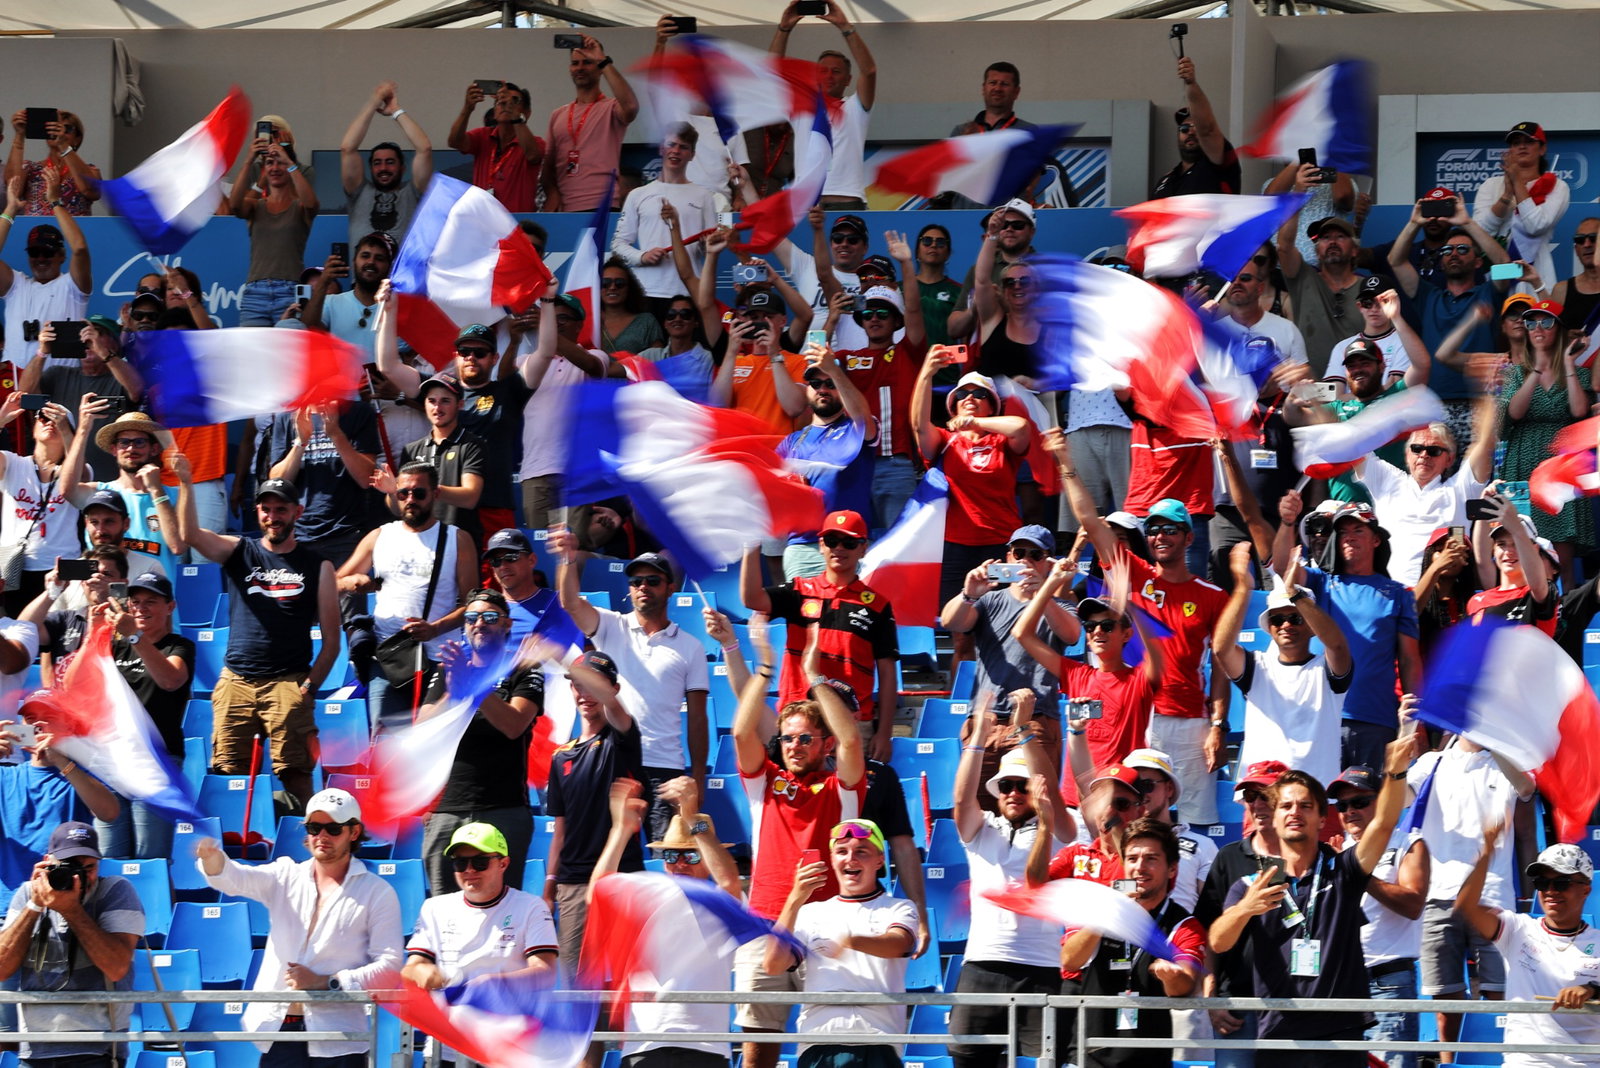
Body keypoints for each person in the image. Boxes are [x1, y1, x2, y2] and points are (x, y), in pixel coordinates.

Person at [1053, 427, 1229, 826]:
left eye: (1169, 528)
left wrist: (1218, 724)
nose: (1159, 535)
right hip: (1139, 720)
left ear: (1188, 537)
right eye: (1152, 529)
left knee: (1193, 825)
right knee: (1135, 821)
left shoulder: (1213, 595)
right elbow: (1088, 519)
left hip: (1189, 721)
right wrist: (1066, 462)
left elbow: (1219, 665)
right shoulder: (1134, 574)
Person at [1210, 742, 1413, 1067]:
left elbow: (1383, 824)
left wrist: (1396, 771)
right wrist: (1245, 909)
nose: (1294, 812)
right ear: (1274, 819)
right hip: (1279, 1033)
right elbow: (1218, 941)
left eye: (1305, 806)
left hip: (1341, 1030)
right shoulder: (1251, 885)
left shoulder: (1343, 870)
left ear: (1322, 819)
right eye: (1286, 806)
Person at [733, 616, 866, 1068]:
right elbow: (740, 733)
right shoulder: (765, 783)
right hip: (764, 922)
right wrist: (767, 668)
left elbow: (851, 739)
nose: (792, 745)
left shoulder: (840, 789)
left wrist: (813, 678)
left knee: (826, 1046)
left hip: (825, 924)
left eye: (804, 738)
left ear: (823, 744)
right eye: (786, 738)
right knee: (757, 1052)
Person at [195, 789, 404, 1068]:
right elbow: (235, 878)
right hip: (280, 1029)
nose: (322, 836)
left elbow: (389, 968)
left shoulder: (378, 892)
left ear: (354, 832)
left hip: (339, 1034)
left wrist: (326, 982)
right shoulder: (286, 875)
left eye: (333, 828)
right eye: (314, 827)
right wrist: (212, 859)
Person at [176, 465, 340, 808]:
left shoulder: (318, 565)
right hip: (236, 681)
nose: (273, 516)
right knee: (225, 774)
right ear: (258, 512)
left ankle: (311, 843)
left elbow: (332, 642)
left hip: (288, 683)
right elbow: (189, 534)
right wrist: (187, 483)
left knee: (296, 773)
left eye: (281, 509)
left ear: (298, 512)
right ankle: (228, 855)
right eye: (266, 509)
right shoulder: (240, 551)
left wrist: (306, 690)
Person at [549, 532, 709, 840]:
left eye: (652, 581)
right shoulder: (611, 626)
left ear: (670, 588)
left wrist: (698, 777)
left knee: (667, 861)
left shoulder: (691, 647)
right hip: (614, 763)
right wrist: (567, 559)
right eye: (636, 582)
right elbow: (569, 602)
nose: (643, 588)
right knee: (615, 858)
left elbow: (699, 719)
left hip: (666, 769)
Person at [949, 702, 1075, 1068]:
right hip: (982, 964)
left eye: (1022, 786)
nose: (1015, 793)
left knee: (1047, 1062)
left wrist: (1023, 730)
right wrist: (976, 741)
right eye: (1006, 785)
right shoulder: (981, 828)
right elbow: (960, 798)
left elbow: (1049, 787)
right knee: (967, 1058)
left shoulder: (1060, 831)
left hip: (1042, 967)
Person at [588, 775, 744, 1068]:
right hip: (645, 1042)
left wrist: (691, 817)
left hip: (704, 1045)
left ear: (707, 857)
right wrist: (620, 831)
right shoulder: (645, 898)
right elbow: (597, 893)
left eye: (691, 856)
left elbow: (728, 880)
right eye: (671, 854)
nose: (680, 863)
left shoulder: (720, 902)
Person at [1409, 730, 1534, 1061]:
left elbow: (1526, 788)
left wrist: (1493, 738)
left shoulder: (1508, 758)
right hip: (1437, 893)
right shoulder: (1431, 763)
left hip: (1492, 896)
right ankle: (1449, 1064)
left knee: (1499, 996)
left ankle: (1501, 1062)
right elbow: (1402, 799)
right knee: (1446, 1002)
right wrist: (1404, 735)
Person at [739, 511, 898, 763]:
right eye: (832, 540)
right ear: (821, 545)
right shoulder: (799, 590)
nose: (839, 548)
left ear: (863, 549)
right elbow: (751, 598)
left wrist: (884, 732)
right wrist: (750, 544)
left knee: (848, 801)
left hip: (851, 723)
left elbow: (888, 674)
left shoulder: (877, 605)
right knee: (798, 800)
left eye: (849, 542)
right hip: (797, 721)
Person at [413, 590, 543, 896]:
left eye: (490, 617)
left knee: (503, 908)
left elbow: (513, 725)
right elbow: (422, 727)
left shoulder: (523, 668)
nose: (479, 623)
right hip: (447, 810)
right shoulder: (446, 669)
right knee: (444, 910)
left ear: (507, 624)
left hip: (504, 808)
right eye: (472, 618)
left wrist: (474, 687)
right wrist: (453, 692)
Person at [763, 818, 918, 1068]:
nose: (850, 859)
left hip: (877, 1040)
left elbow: (898, 944)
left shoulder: (898, 907)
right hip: (819, 1041)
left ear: (880, 861)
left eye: (861, 852)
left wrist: (850, 940)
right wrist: (794, 900)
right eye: (842, 852)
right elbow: (772, 965)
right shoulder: (810, 912)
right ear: (832, 860)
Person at [337, 462, 477, 727]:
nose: (410, 499)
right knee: (384, 745)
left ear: (435, 494)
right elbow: (332, 582)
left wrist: (435, 629)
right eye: (403, 493)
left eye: (419, 493)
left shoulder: (457, 539)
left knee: (428, 739)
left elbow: (472, 605)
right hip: (388, 658)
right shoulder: (380, 535)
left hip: (440, 658)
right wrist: (351, 583)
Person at [1061, 818, 1208, 1068]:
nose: (1140, 867)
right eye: (1132, 858)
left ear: (1172, 869)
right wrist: (1104, 918)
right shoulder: (1099, 907)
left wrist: (1171, 976)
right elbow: (1070, 960)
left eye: (1151, 859)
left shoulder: (1182, 924)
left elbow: (1184, 987)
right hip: (1089, 1055)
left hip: (1149, 1059)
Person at [940, 525, 1079, 778]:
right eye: (1019, 552)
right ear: (1008, 557)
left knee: (1038, 808)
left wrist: (1042, 592)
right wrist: (968, 594)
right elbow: (951, 622)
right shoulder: (989, 600)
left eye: (1035, 555)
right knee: (978, 810)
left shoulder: (1060, 606)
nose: (1025, 560)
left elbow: (1072, 635)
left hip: (1036, 720)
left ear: (1048, 564)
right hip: (986, 722)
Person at [0, 822, 142, 1068]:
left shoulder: (114, 891)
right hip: (35, 1049)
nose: (79, 876)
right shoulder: (27, 894)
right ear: (47, 862)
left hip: (98, 1049)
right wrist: (35, 905)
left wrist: (72, 911)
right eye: (69, 866)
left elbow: (117, 967)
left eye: (89, 868)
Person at [914, 361, 1030, 660]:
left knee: (1007, 636)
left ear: (991, 404)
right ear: (952, 406)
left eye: (979, 393)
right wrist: (927, 374)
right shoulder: (945, 440)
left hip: (1001, 545)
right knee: (962, 640)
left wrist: (976, 424)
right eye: (962, 393)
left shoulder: (1001, 439)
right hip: (956, 549)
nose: (970, 397)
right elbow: (918, 426)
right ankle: (962, 703)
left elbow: (1021, 427)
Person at [1013, 568, 1162, 802]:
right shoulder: (1077, 674)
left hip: (1120, 799)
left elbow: (1158, 651)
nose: (1097, 631)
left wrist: (1134, 605)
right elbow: (1022, 633)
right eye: (1090, 627)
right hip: (1076, 800)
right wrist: (1047, 586)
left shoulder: (1139, 679)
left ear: (1126, 634)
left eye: (1108, 625)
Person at [1213, 542, 1351, 788]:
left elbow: (1338, 646)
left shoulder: (1327, 670)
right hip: (1262, 796)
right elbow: (1221, 648)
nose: (1286, 625)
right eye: (1278, 619)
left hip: (1317, 797)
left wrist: (1294, 593)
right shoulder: (1256, 666)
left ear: (1311, 626)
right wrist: (1243, 589)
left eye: (1295, 618)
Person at [1455, 832, 1600, 1064]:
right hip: (1526, 1061)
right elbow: (1466, 905)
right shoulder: (1517, 929)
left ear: (1586, 890)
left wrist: (1592, 989)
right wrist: (1486, 854)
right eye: (1542, 883)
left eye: (1561, 883)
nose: (1551, 891)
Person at [544, 649, 642, 982]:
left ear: (612, 689)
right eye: (577, 685)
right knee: (577, 987)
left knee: (621, 985)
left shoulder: (622, 737)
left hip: (622, 879)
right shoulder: (561, 756)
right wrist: (549, 886)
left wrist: (557, 658)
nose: (585, 694)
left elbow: (613, 708)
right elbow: (560, 830)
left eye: (593, 686)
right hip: (573, 884)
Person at [1329, 766, 1429, 1068]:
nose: (1349, 812)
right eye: (1342, 805)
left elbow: (1413, 904)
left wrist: (1359, 873)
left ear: (1384, 801)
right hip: (1340, 983)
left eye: (1360, 802)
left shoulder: (1409, 843)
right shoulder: (1334, 851)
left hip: (1387, 981)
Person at [1194, 759, 1288, 1062]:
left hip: (1298, 1005)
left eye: (1266, 796)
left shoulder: (1310, 855)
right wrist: (1211, 999)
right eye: (1251, 797)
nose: (1258, 804)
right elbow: (1208, 932)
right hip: (1237, 1004)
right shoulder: (1228, 857)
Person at [1350, 395, 1498, 588]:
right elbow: (1349, 444)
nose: (1424, 455)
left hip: (1444, 594)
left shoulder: (1459, 489)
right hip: (1393, 593)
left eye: (1434, 451)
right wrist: (1317, 404)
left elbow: (1485, 442)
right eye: (1417, 448)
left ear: (1450, 459)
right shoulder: (1388, 480)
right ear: (1406, 454)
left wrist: (1485, 392)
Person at [98, 571, 195, 860]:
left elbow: (170, 680)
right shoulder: (114, 645)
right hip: (113, 761)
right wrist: (95, 628)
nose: (141, 608)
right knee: (109, 860)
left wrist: (135, 637)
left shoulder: (179, 646)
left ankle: (155, 907)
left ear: (170, 607)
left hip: (156, 762)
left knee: (151, 859)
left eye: (151, 601)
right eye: (135, 601)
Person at [403, 821, 557, 999]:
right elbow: (411, 968)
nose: (469, 869)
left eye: (480, 861)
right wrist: (422, 971)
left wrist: (492, 984)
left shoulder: (532, 907)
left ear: (503, 864)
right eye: (460, 863)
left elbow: (545, 973)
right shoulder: (434, 907)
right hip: (449, 1018)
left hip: (508, 1017)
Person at [1494, 300, 1592, 580]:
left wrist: (1569, 364)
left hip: (1563, 464)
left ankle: (1568, 611)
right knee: (1522, 537)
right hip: (1523, 463)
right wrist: (1536, 371)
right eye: (1531, 322)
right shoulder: (1516, 373)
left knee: (1563, 548)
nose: (1538, 328)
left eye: (1546, 322)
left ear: (1559, 330)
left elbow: (1578, 411)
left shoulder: (1579, 372)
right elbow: (1513, 413)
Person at [777, 345, 876, 575]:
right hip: (803, 548)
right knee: (802, 612)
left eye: (831, 383)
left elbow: (861, 414)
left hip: (849, 545)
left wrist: (834, 369)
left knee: (850, 612)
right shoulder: (791, 442)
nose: (823, 389)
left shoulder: (857, 428)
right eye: (816, 384)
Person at [0, 705, 122, 892]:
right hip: (9, 906)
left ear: (68, 727)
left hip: (65, 897)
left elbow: (110, 813)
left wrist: (61, 760)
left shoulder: (80, 776)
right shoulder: (5, 776)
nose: (38, 723)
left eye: (48, 716)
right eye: (30, 717)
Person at [770, 0, 877, 210]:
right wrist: (784, 28)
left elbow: (870, 71)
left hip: (846, 200)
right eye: (822, 71)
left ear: (848, 79)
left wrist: (845, 27)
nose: (829, 76)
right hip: (806, 202)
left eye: (836, 72)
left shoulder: (855, 108)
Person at [62, 409, 185, 581]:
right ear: (114, 449)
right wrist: (83, 430)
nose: (131, 448)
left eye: (140, 442)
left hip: (153, 603)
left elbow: (177, 546)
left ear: (154, 448)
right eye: (124, 442)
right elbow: (67, 490)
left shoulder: (175, 495)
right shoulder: (99, 493)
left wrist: (157, 491)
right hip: (102, 602)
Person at [611, 125, 719, 304]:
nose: (676, 151)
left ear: (692, 154)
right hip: (647, 290)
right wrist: (642, 257)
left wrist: (706, 246)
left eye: (683, 147)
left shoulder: (705, 196)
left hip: (690, 290)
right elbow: (618, 245)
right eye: (671, 144)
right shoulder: (638, 194)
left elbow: (709, 250)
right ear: (661, 148)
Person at [376, 373, 487, 545]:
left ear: (460, 405)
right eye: (431, 401)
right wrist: (393, 492)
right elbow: (397, 510)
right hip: (421, 544)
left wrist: (425, 490)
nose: (437, 407)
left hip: (460, 543)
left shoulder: (472, 445)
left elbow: (470, 497)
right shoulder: (412, 450)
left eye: (445, 401)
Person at [0, 394, 85, 615]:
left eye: (57, 419)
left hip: (64, 566)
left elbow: (80, 476)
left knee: (61, 637)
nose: (50, 423)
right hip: (15, 567)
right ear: (33, 427)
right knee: (17, 633)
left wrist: (66, 429)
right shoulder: (12, 463)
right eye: (43, 417)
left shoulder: (78, 470)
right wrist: (1, 419)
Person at [229, 123, 318, 327]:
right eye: (269, 163)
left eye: (280, 163)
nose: (275, 168)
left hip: (289, 291)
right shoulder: (255, 205)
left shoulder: (300, 206)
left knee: (287, 356)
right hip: (255, 294)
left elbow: (312, 204)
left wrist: (288, 160)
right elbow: (234, 205)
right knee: (252, 354)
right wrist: (249, 159)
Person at [0, 177, 92, 367]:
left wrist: (55, 202)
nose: (40, 258)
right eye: (34, 252)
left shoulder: (72, 287)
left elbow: (80, 248)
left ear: (61, 256)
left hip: (62, 388)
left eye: (47, 252)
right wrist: (10, 209)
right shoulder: (16, 285)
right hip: (16, 388)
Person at [541, 36, 640, 213]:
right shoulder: (558, 114)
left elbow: (631, 106)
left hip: (604, 205)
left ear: (599, 68)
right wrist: (552, 196)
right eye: (575, 63)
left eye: (587, 62)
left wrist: (602, 60)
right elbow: (548, 165)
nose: (580, 68)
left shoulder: (611, 108)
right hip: (566, 208)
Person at [1471, 122, 1570, 289]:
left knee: (1535, 313)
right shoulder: (1491, 185)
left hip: (1536, 269)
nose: (1522, 146)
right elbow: (1481, 232)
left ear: (1542, 149)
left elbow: (1536, 225)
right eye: (1516, 143)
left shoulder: (1558, 186)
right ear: (1510, 150)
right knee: (1501, 310)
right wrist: (1506, 195)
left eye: (1529, 141)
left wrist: (1516, 182)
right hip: (1498, 269)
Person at [340, 81, 432, 248]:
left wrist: (396, 110)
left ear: (402, 168)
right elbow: (347, 148)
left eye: (390, 162)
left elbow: (424, 148)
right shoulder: (359, 194)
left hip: (401, 275)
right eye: (377, 163)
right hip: (363, 275)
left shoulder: (413, 194)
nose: (383, 168)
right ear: (371, 168)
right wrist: (373, 103)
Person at [1278, 209, 1364, 377]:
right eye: (1325, 238)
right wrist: (1298, 194)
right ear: (1317, 251)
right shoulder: (1302, 279)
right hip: (1312, 386)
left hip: (1357, 388)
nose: (1332, 242)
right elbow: (1284, 246)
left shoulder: (1368, 288)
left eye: (1340, 236)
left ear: (1354, 250)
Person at [1322, 278, 1433, 396]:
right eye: (1368, 303)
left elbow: (1395, 390)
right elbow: (1332, 395)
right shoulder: (1342, 346)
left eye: (1382, 302)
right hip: (1351, 415)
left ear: (1393, 303)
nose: (1374, 309)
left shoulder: (1405, 341)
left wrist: (1345, 399)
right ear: (1360, 307)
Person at [1151, 58, 1239, 198]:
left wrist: (1191, 83)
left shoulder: (1218, 162)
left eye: (1195, 126)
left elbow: (1207, 130)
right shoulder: (1165, 180)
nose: (1191, 131)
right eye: (1184, 128)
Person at [303, 231, 393, 362]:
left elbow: (406, 359)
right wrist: (323, 282)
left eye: (379, 258)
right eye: (365, 256)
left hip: (381, 382)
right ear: (354, 261)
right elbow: (308, 328)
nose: (371, 262)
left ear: (389, 267)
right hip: (340, 382)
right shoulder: (331, 302)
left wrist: (393, 383)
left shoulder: (395, 309)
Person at [1468, 504, 1557, 636]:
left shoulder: (1540, 593)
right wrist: (1484, 503)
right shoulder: (1477, 601)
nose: (1508, 551)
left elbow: (1538, 585)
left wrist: (1517, 529)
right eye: (1501, 544)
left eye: (1516, 544)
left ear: (1534, 550)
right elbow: (1482, 559)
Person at [5, 109, 100, 215]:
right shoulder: (30, 168)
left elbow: (90, 190)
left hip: (75, 231)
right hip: (36, 230)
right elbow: (12, 189)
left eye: (67, 129)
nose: (60, 132)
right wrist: (19, 134)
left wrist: (63, 144)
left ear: (77, 139)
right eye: (53, 127)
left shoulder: (91, 170)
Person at [596, 258, 666, 354]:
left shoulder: (646, 321)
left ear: (629, 288)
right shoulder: (589, 322)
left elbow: (657, 360)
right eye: (605, 283)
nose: (612, 287)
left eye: (619, 283)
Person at [915, 224, 962, 347]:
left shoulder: (959, 292)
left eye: (940, 242)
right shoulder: (901, 289)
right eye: (927, 241)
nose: (934, 245)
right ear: (917, 252)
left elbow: (965, 336)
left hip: (947, 364)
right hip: (908, 365)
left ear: (948, 253)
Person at [1551, 216, 1599, 331]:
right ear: (1576, 249)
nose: (1587, 244)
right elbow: (1550, 337)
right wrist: (1566, 338)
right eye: (1580, 240)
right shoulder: (1561, 290)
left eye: (1593, 238)